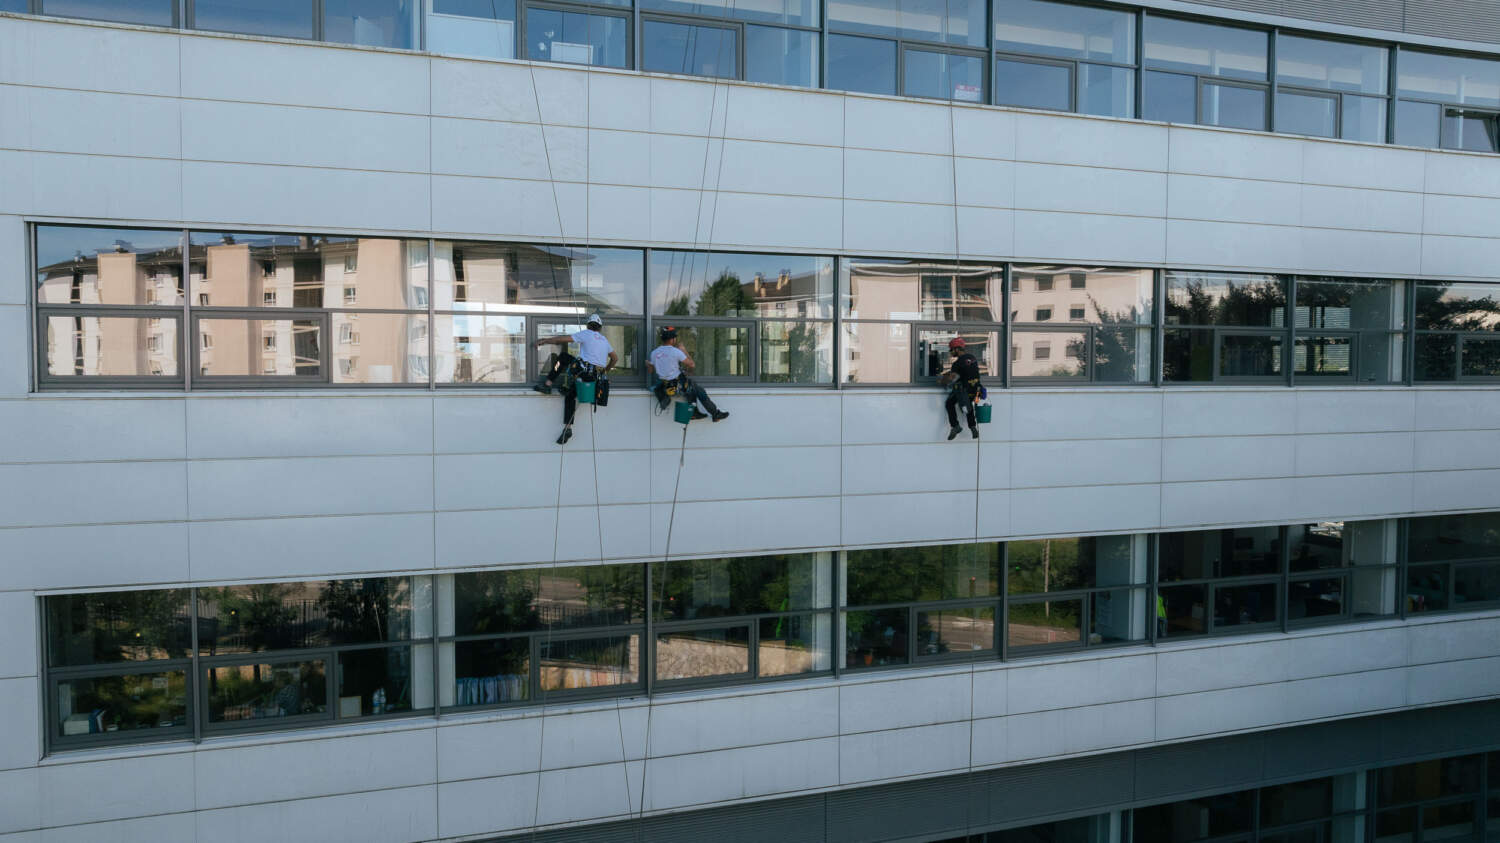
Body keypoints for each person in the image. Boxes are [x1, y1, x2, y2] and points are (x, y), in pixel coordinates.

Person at [533, 313, 617, 444]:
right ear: (599, 328)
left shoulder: (586, 333)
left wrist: (544, 340)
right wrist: (605, 371)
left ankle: (548, 384)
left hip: (583, 373)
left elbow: (562, 340)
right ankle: (568, 428)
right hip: (595, 378)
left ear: (589, 325)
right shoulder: (604, 340)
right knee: (570, 396)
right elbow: (615, 358)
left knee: (563, 358)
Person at [647, 327, 729, 422]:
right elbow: (692, 364)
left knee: (691, 387)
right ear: (672, 339)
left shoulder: (654, 353)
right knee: (699, 391)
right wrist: (684, 350)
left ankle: (694, 413)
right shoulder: (675, 352)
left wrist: (648, 364)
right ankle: (715, 414)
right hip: (678, 384)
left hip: (665, 386)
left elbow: (650, 371)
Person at [938, 336, 981, 441]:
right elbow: (966, 371)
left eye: (952, 350)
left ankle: (955, 426)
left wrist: (941, 380)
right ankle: (972, 427)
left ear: (957, 349)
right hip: (975, 389)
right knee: (968, 407)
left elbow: (953, 378)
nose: (951, 352)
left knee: (949, 403)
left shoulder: (957, 363)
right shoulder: (972, 358)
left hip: (963, 390)